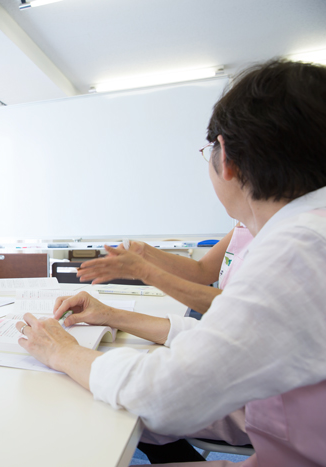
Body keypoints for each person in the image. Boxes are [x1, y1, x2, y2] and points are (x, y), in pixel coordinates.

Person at [17, 59, 326, 466]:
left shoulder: (298, 248)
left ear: (227, 157)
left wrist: (63, 353)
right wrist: (112, 314)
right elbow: (223, 331)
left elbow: (164, 395)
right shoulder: (299, 230)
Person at [76, 223, 253, 314]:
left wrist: (144, 271)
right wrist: (144, 252)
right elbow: (202, 270)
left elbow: (239, 305)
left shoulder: (273, 234)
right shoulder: (244, 224)